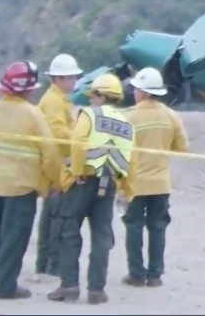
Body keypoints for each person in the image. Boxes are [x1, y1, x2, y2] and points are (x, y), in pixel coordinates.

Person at [0, 61, 62, 300]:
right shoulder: (33, 114)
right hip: (20, 187)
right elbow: (50, 153)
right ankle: (5, 286)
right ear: (29, 89)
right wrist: (56, 183)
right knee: (13, 238)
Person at [48, 73, 134, 305]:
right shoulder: (125, 122)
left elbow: (78, 142)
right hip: (109, 185)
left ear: (99, 95)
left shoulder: (90, 114)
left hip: (82, 181)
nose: (91, 99)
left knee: (69, 233)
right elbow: (129, 157)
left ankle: (69, 286)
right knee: (101, 237)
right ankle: (96, 289)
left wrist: (76, 171)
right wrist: (127, 188)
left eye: (93, 95)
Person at [119, 67, 189, 288]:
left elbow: (118, 148)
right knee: (158, 227)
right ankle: (155, 274)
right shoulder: (171, 116)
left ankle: (136, 274)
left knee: (133, 227)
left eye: (137, 89)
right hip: (160, 183)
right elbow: (181, 147)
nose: (135, 93)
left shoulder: (127, 116)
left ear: (145, 92)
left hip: (134, 184)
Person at [33, 53, 83, 277]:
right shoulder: (53, 102)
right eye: (71, 77)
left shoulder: (57, 99)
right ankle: (52, 264)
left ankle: (45, 262)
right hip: (56, 167)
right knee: (56, 217)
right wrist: (81, 138)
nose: (74, 82)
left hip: (56, 165)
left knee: (50, 216)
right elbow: (57, 134)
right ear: (59, 79)